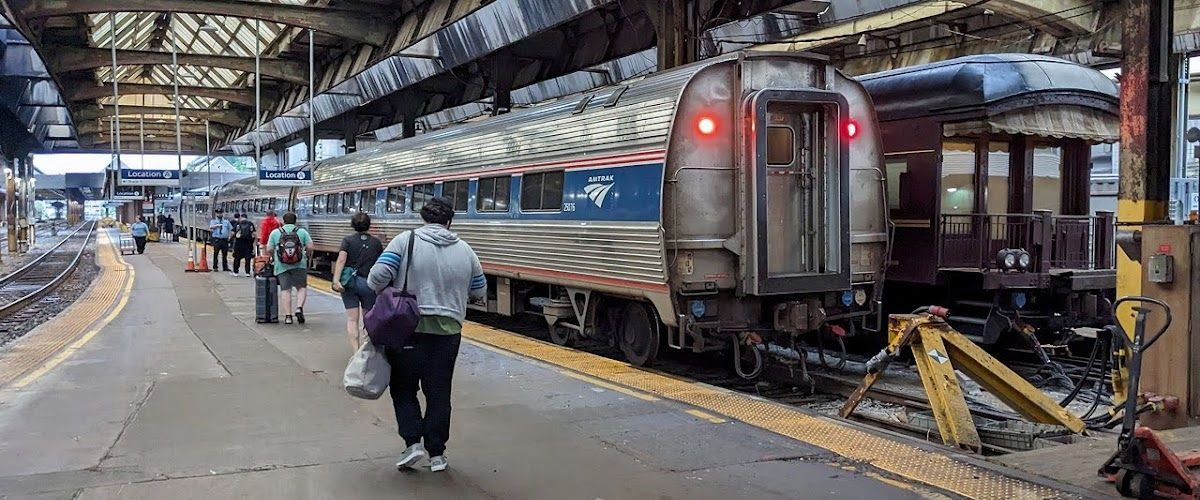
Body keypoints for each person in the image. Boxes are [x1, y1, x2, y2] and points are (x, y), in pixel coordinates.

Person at [368, 196, 485, 473]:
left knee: (404, 387)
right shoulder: (466, 250)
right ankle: (437, 455)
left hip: (407, 329)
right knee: (439, 392)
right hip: (447, 333)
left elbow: (376, 279)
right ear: (449, 221)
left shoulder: (404, 241)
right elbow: (479, 291)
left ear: (423, 217)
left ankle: (412, 444)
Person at [332, 212, 382, 350]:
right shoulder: (376, 242)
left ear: (353, 225)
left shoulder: (347, 241)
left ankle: (356, 351)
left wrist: (336, 280)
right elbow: (380, 264)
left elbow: (341, 259)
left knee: (352, 319)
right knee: (368, 318)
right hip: (369, 284)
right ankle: (368, 348)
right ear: (369, 225)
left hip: (350, 283)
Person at [267, 212, 312, 325]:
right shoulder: (301, 232)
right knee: (301, 287)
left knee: (285, 290)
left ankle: (288, 316)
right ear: (295, 221)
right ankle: (299, 308)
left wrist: (273, 257)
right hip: (300, 264)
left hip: (281, 265)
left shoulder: (276, 232)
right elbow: (311, 246)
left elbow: (269, 249)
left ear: (283, 221)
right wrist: (307, 255)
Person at [232, 213, 256, 277]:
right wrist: (253, 244)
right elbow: (254, 234)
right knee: (248, 259)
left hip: (239, 244)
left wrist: (230, 239)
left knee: (237, 258)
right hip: (248, 244)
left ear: (241, 217)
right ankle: (247, 272)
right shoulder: (251, 224)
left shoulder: (237, 224)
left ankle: (236, 272)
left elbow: (233, 233)